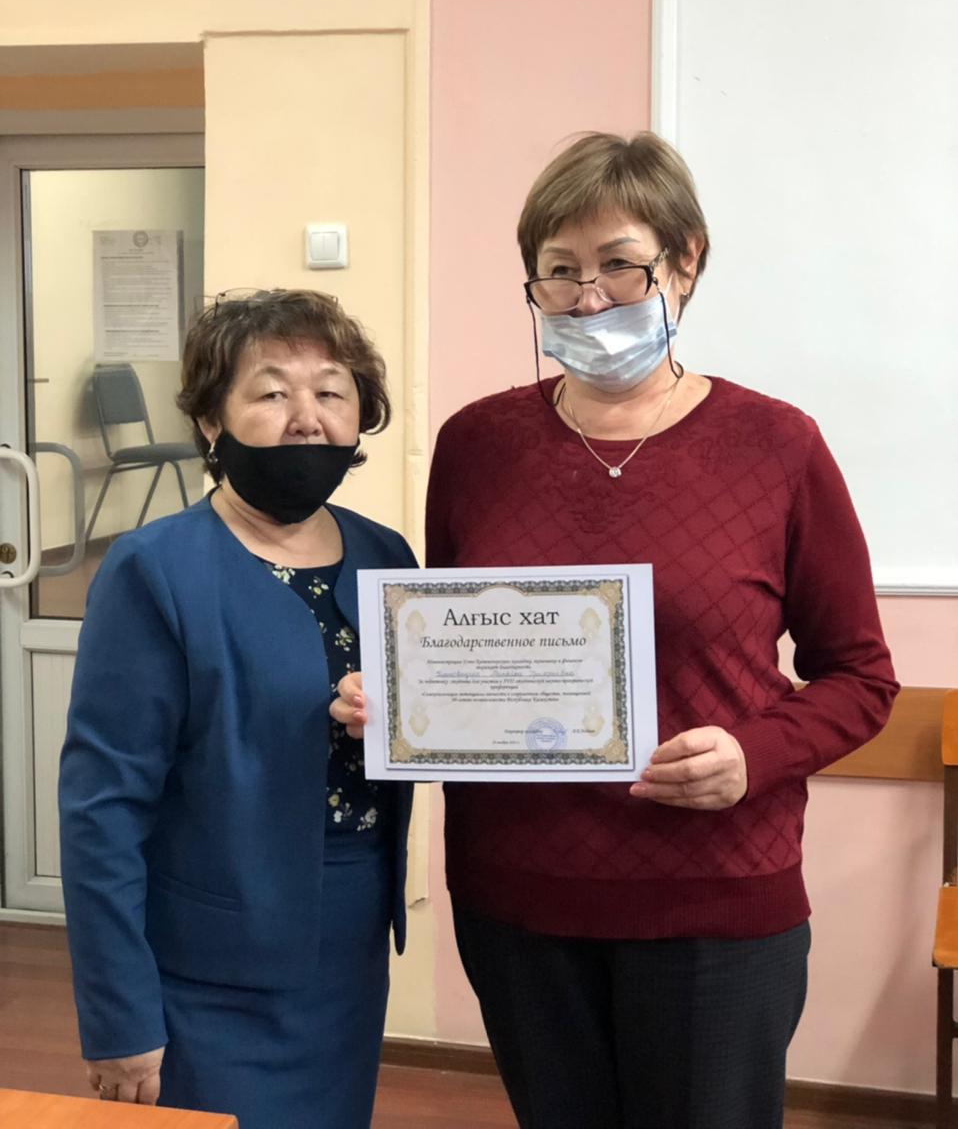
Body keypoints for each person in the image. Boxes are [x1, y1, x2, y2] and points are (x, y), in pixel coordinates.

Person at [336, 132, 897, 1129]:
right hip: (517, 898)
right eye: (559, 271)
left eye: (620, 265)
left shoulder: (776, 445)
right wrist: (400, 699)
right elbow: (458, 641)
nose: (588, 300)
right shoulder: (477, 445)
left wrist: (755, 754)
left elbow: (860, 676)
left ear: (685, 262)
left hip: (714, 898)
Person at [59, 289, 416, 1129]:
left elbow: (426, 737)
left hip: (350, 945)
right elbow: (102, 810)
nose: (306, 418)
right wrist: (119, 1016)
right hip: (207, 968)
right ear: (211, 419)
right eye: (272, 392)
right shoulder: (154, 569)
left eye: (331, 392)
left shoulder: (386, 556)